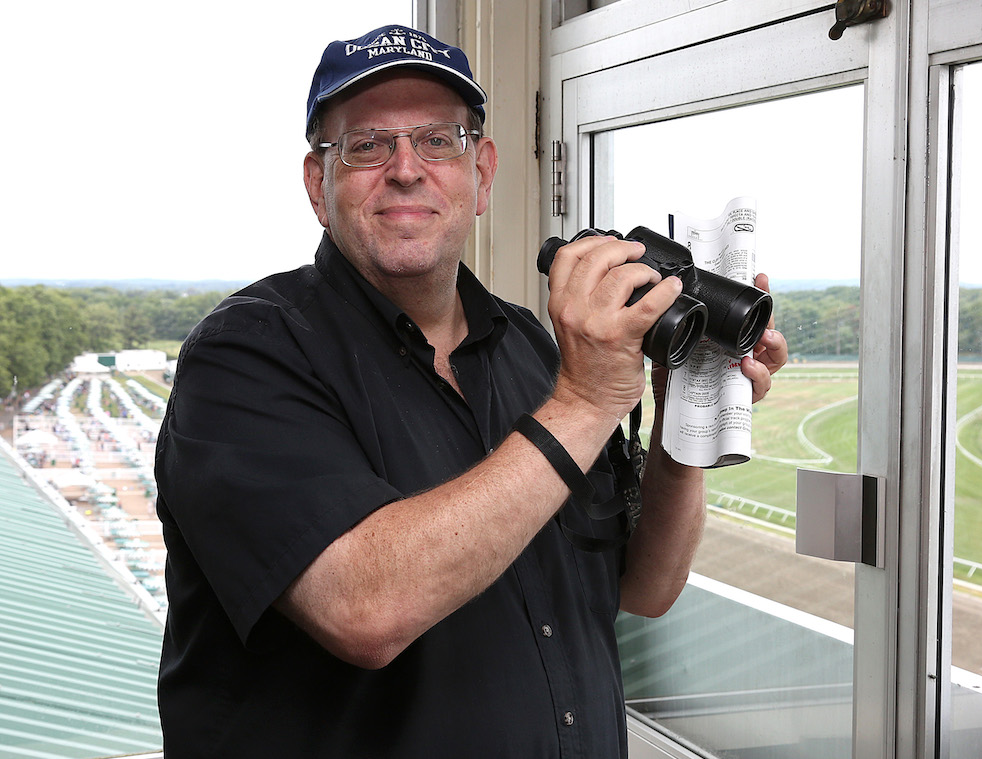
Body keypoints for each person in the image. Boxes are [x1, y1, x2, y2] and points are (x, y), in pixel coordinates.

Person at [154, 23, 787, 758]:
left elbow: (644, 586)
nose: (404, 168)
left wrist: (684, 411)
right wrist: (585, 402)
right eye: (365, 145)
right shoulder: (244, 358)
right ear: (316, 185)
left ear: (481, 174)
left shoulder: (534, 349)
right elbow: (364, 607)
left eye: (438, 141)